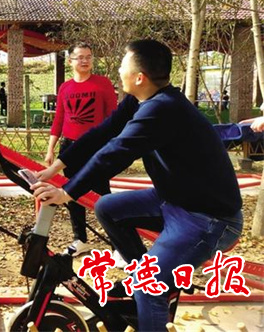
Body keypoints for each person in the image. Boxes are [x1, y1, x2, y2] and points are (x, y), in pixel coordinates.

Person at [33, 39, 243, 332]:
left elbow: (115, 152)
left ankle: (149, 289)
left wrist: (67, 192)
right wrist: (55, 168)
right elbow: (102, 133)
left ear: (140, 77)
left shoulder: (162, 109)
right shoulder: (141, 101)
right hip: (174, 199)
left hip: (208, 219)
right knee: (107, 207)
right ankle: (143, 279)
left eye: (123, 65)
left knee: (149, 287)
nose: (119, 70)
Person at [44, 42, 117, 258]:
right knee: (71, 193)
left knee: (102, 195)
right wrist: (50, 149)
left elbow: (114, 117)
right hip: (70, 148)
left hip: (96, 147)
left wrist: (112, 145)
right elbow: (59, 120)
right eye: (80, 57)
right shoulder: (65, 88)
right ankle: (80, 239)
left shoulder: (102, 84)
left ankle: (118, 245)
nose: (85, 61)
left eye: (88, 56)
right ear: (70, 61)